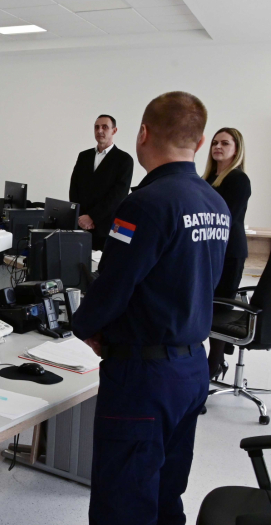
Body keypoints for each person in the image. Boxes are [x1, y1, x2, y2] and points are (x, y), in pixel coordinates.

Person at [71, 91, 230, 525]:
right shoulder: (215, 203)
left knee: (124, 503)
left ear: (142, 134)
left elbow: (113, 285)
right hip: (191, 369)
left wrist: (83, 325)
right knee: (165, 494)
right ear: (200, 142)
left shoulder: (145, 203)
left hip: (143, 377)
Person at [202, 127, 251, 381]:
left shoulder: (238, 179)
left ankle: (214, 364)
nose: (218, 147)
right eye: (214, 143)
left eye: (224, 143)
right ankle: (210, 364)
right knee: (204, 306)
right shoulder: (207, 178)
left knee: (219, 308)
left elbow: (224, 218)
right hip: (208, 251)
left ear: (236, 149)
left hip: (228, 253)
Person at [68, 115, 134, 250]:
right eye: (96, 127)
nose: (100, 131)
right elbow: (74, 188)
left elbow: (118, 195)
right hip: (81, 225)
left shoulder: (124, 159)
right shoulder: (84, 156)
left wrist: (92, 217)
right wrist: (80, 217)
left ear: (114, 130)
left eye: (105, 127)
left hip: (106, 227)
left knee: (102, 263)